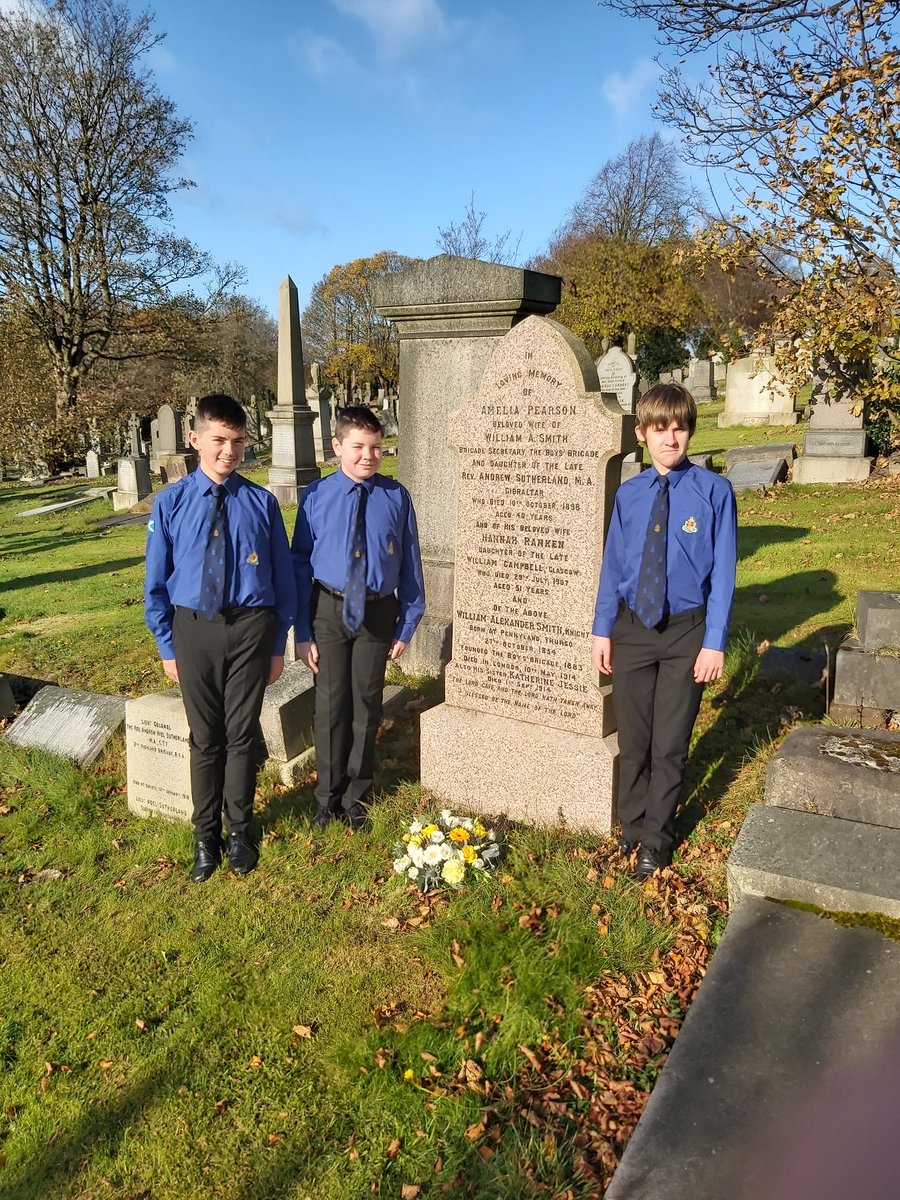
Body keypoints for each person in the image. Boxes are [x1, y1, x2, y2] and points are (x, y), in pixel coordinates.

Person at [144, 393, 296, 882]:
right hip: (195, 630)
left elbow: (283, 580)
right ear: (195, 440)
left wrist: (277, 645)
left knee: (240, 735)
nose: (228, 451)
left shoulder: (261, 503)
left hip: (252, 630)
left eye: (237, 441)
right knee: (205, 738)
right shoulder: (171, 504)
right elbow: (157, 582)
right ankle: (205, 836)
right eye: (218, 441)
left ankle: (239, 832)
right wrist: (168, 645)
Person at [591, 382, 737, 880]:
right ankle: (631, 827)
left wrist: (714, 640)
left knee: (669, 743)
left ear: (690, 432)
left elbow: (724, 572)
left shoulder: (713, 492)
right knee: (635, 739)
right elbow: (613, 565)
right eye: (659, 429)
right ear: (641, 434)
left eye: (679, 428)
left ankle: (656, 839)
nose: (670, 439)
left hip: (685, 634)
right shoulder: (629, 495)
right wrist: (602, 628)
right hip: (632, 629)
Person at [292, 406, 425, 830]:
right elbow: (299, 565)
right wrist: (302, 630)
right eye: (358, 447)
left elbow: (410, 564)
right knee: (330, 705)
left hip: (377, 610)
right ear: (337, 447)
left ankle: (356, 795)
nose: (368, 456)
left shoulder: (395, 497)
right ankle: (326, 797)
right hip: (328, 609)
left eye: (376, 448)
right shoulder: (316, 497)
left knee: (366, 704)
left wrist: (406, 623)